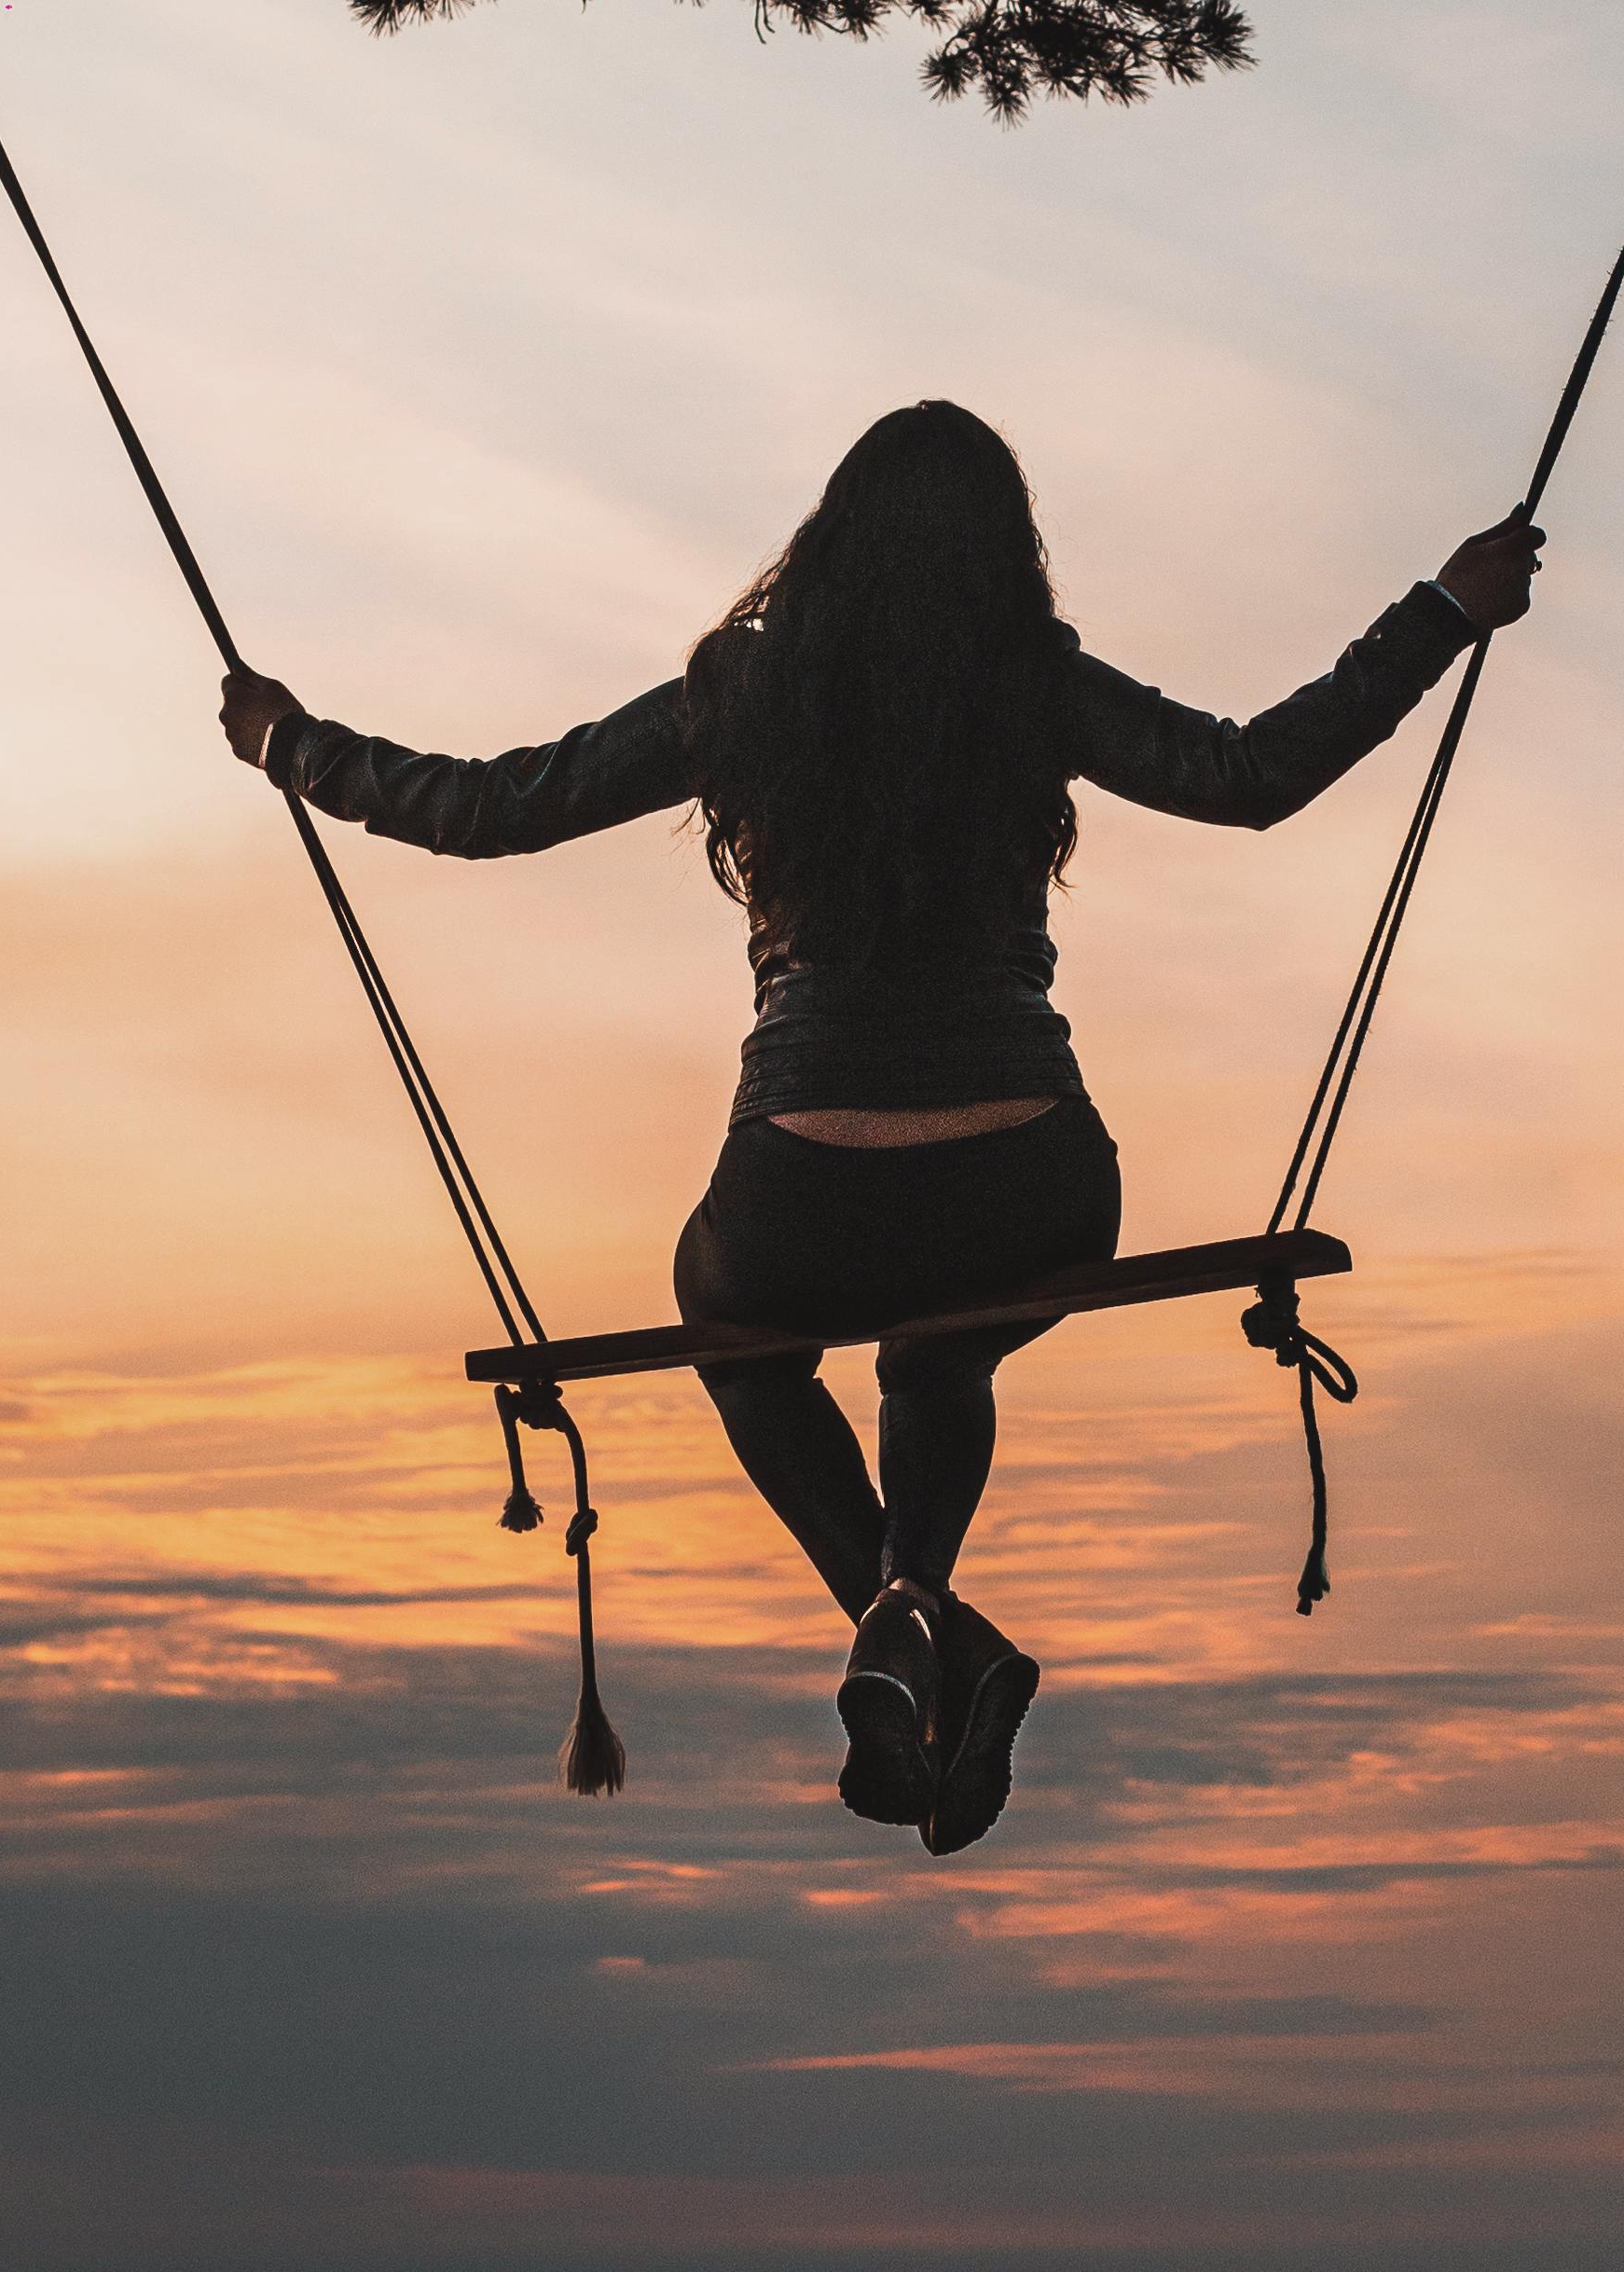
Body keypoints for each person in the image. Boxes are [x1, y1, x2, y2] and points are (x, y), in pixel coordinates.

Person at [220, 403, 1540, 1856]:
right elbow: (1247, 774)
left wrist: (294, 742)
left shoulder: (743, 696)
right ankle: (920, 1615)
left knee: (739, 1332)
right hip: (1026, 1178)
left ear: (829, 541)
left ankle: (922, 1625)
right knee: (941, 1337)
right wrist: (1438, 614)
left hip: (801, 1194)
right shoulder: (1026, 682)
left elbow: (491, 808)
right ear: (1002, 554)